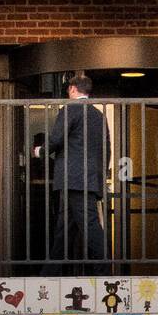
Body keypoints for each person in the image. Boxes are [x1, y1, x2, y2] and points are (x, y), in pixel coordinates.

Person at [37, 73, 110, 269]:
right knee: (64, 228)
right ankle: (51, 272)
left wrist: (40, 151)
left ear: (72, 89)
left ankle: (104, 270)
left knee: (90, 226)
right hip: (87, 180)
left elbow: (56, 138)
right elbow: (106, 149)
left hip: (73, 179)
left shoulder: (70, 110)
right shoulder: (98, 115)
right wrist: (99, 179)